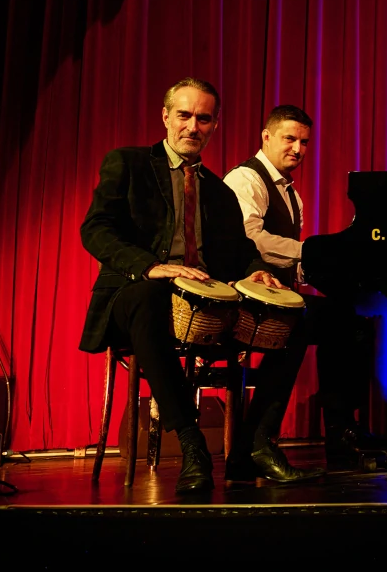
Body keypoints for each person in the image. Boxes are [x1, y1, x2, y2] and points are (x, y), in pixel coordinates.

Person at [79, 78, 323, 493]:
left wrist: (255, 270)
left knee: (299, 315)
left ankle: (253, 446)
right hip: (135, 292)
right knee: (151, 298)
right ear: (165, 116)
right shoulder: (129, 163)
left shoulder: (218, 190)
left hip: (205, 304)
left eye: (204, 118)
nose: (193, 126)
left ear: (214, 125)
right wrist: (152, 267)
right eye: (185, 115)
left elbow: (240, 251)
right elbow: (96, 230)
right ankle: (192, 445)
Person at [223, 104, 378, 469]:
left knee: (350, 321)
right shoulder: (246, 179)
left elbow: (296, 265)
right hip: (242, 298)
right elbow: (250, 239)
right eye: (289, 138)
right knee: (306, 322)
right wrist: (313, 251)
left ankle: (341, 436)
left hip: (277, 296)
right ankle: (255, 444)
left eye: (304, 141)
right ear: (266, 137)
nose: (298, 148)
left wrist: (329, 269)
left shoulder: (293, 194)